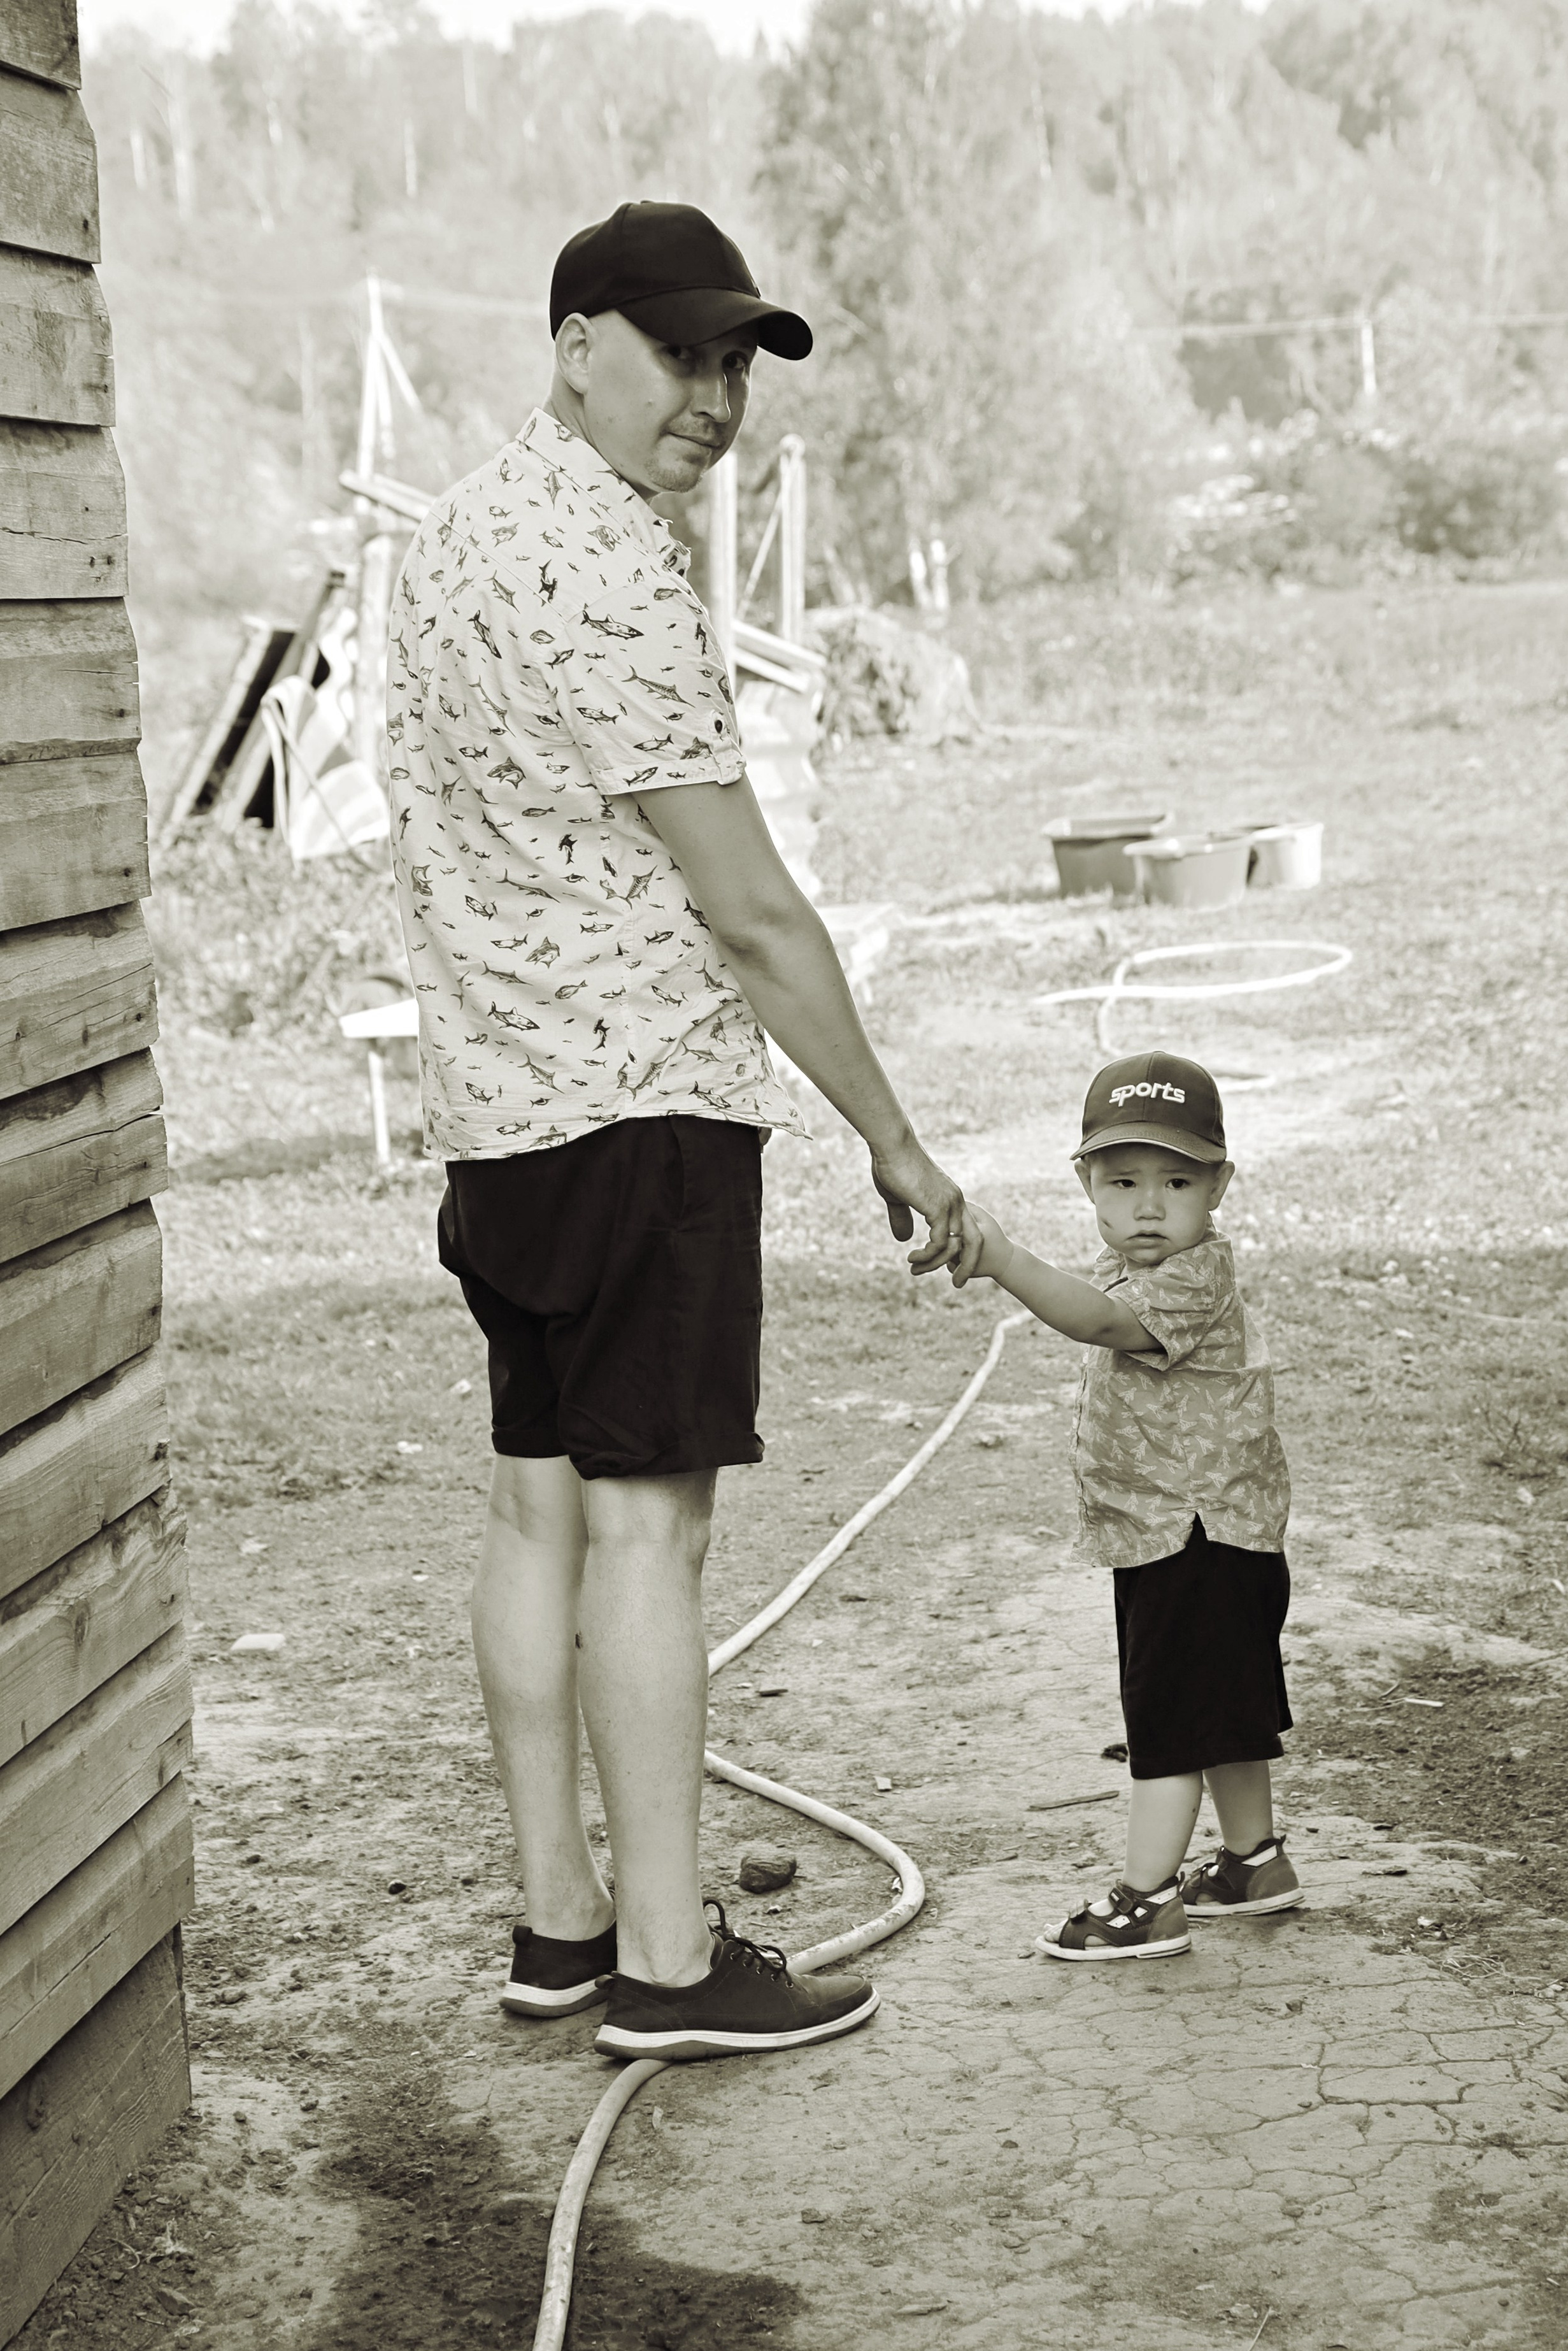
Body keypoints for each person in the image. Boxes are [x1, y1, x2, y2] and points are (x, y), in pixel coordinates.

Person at [386, 200, 975, 2061]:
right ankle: (661, 1963)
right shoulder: (613, 576)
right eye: (678, 355)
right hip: (640, 1116)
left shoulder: (454, 537)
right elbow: (751, 911)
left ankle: (559, 1925)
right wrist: (895, 1139)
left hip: (502, 1122)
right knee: (648, 1540)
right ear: (575, 348)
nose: (714, 398)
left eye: (735, 365)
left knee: (535, 1514)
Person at [951, 1051, 1301, 1962]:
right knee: (1221, 1710)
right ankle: (1254, 1863)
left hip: (1195, 1540)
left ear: (1219, 1186)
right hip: (1199, 1537)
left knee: (1171, 1727)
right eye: (1124, 1181)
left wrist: (1004, 1260)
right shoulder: (1140, 1264)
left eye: (1177, 1182)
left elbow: (1099, 1322)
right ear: (1087, 1183)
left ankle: (1145, 1903)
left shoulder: (1190, 1279)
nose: (1150, 1206)